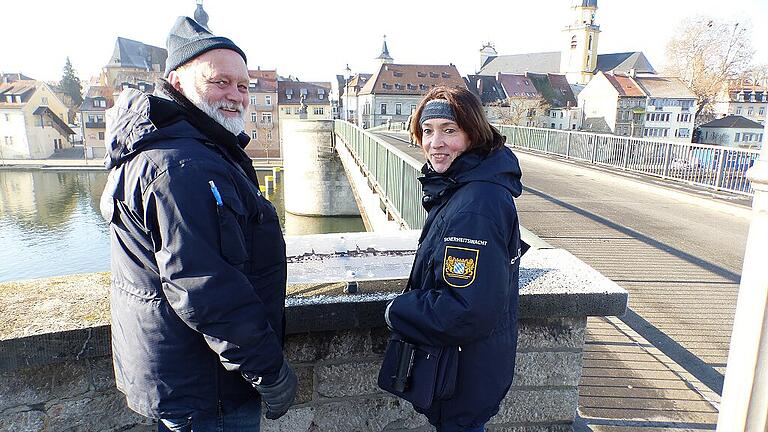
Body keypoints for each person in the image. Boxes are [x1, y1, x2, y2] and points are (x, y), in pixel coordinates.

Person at [101, 17, 297, 431]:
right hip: (208, 386)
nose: (236, 96)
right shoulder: (182, 166)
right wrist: (269, 370)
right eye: (220, 82)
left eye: (243, 86)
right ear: (176, 80)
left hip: (188, 377)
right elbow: (206, 287)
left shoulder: (184, 148)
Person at [383, 86, 524, 432]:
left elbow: (466, 308)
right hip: (468, 371)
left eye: (449, 131)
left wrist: (395, 311)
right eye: (428, 131)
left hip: (462, 377)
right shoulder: (465, 187)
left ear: (472, 134)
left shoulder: (477, 203)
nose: (436, 143)